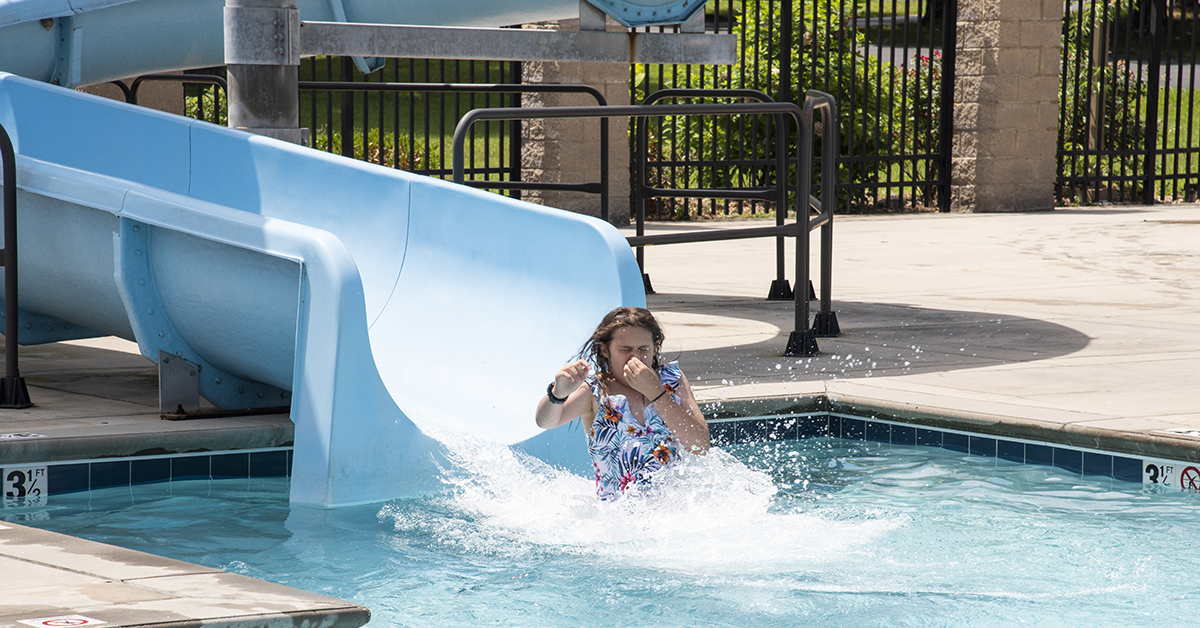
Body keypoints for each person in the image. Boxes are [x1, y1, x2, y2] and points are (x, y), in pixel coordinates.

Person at [535, 306, 710, 500]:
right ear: (605, 350)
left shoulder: (671, 380)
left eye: (644, 349)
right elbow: (545, 422)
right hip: (618, 516)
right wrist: (558, 394)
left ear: (655, 346)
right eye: (625, 349)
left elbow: (700, 446)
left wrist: (656, 393)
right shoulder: (594, 392)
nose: (635, 357)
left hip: (673, 509)